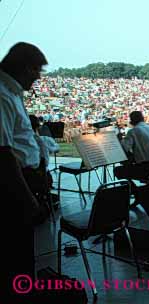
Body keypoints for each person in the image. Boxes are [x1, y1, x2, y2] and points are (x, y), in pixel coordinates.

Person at [0, 42, 47, 302]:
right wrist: (26, 196)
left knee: (23, 248)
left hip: (24, 178)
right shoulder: (2, 94)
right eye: (37, 70)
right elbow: (3, 153)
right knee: (15, 251)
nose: (38, 77)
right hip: (12, 186)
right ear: (25, 67)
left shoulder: (12, 92)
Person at [113, 111, 149, 181]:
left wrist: (119, 140)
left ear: (132, 121)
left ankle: (134, 190)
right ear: (142, 119)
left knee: (117, 170)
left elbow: (123, 149)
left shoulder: (133, 131)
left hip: (145, 168)